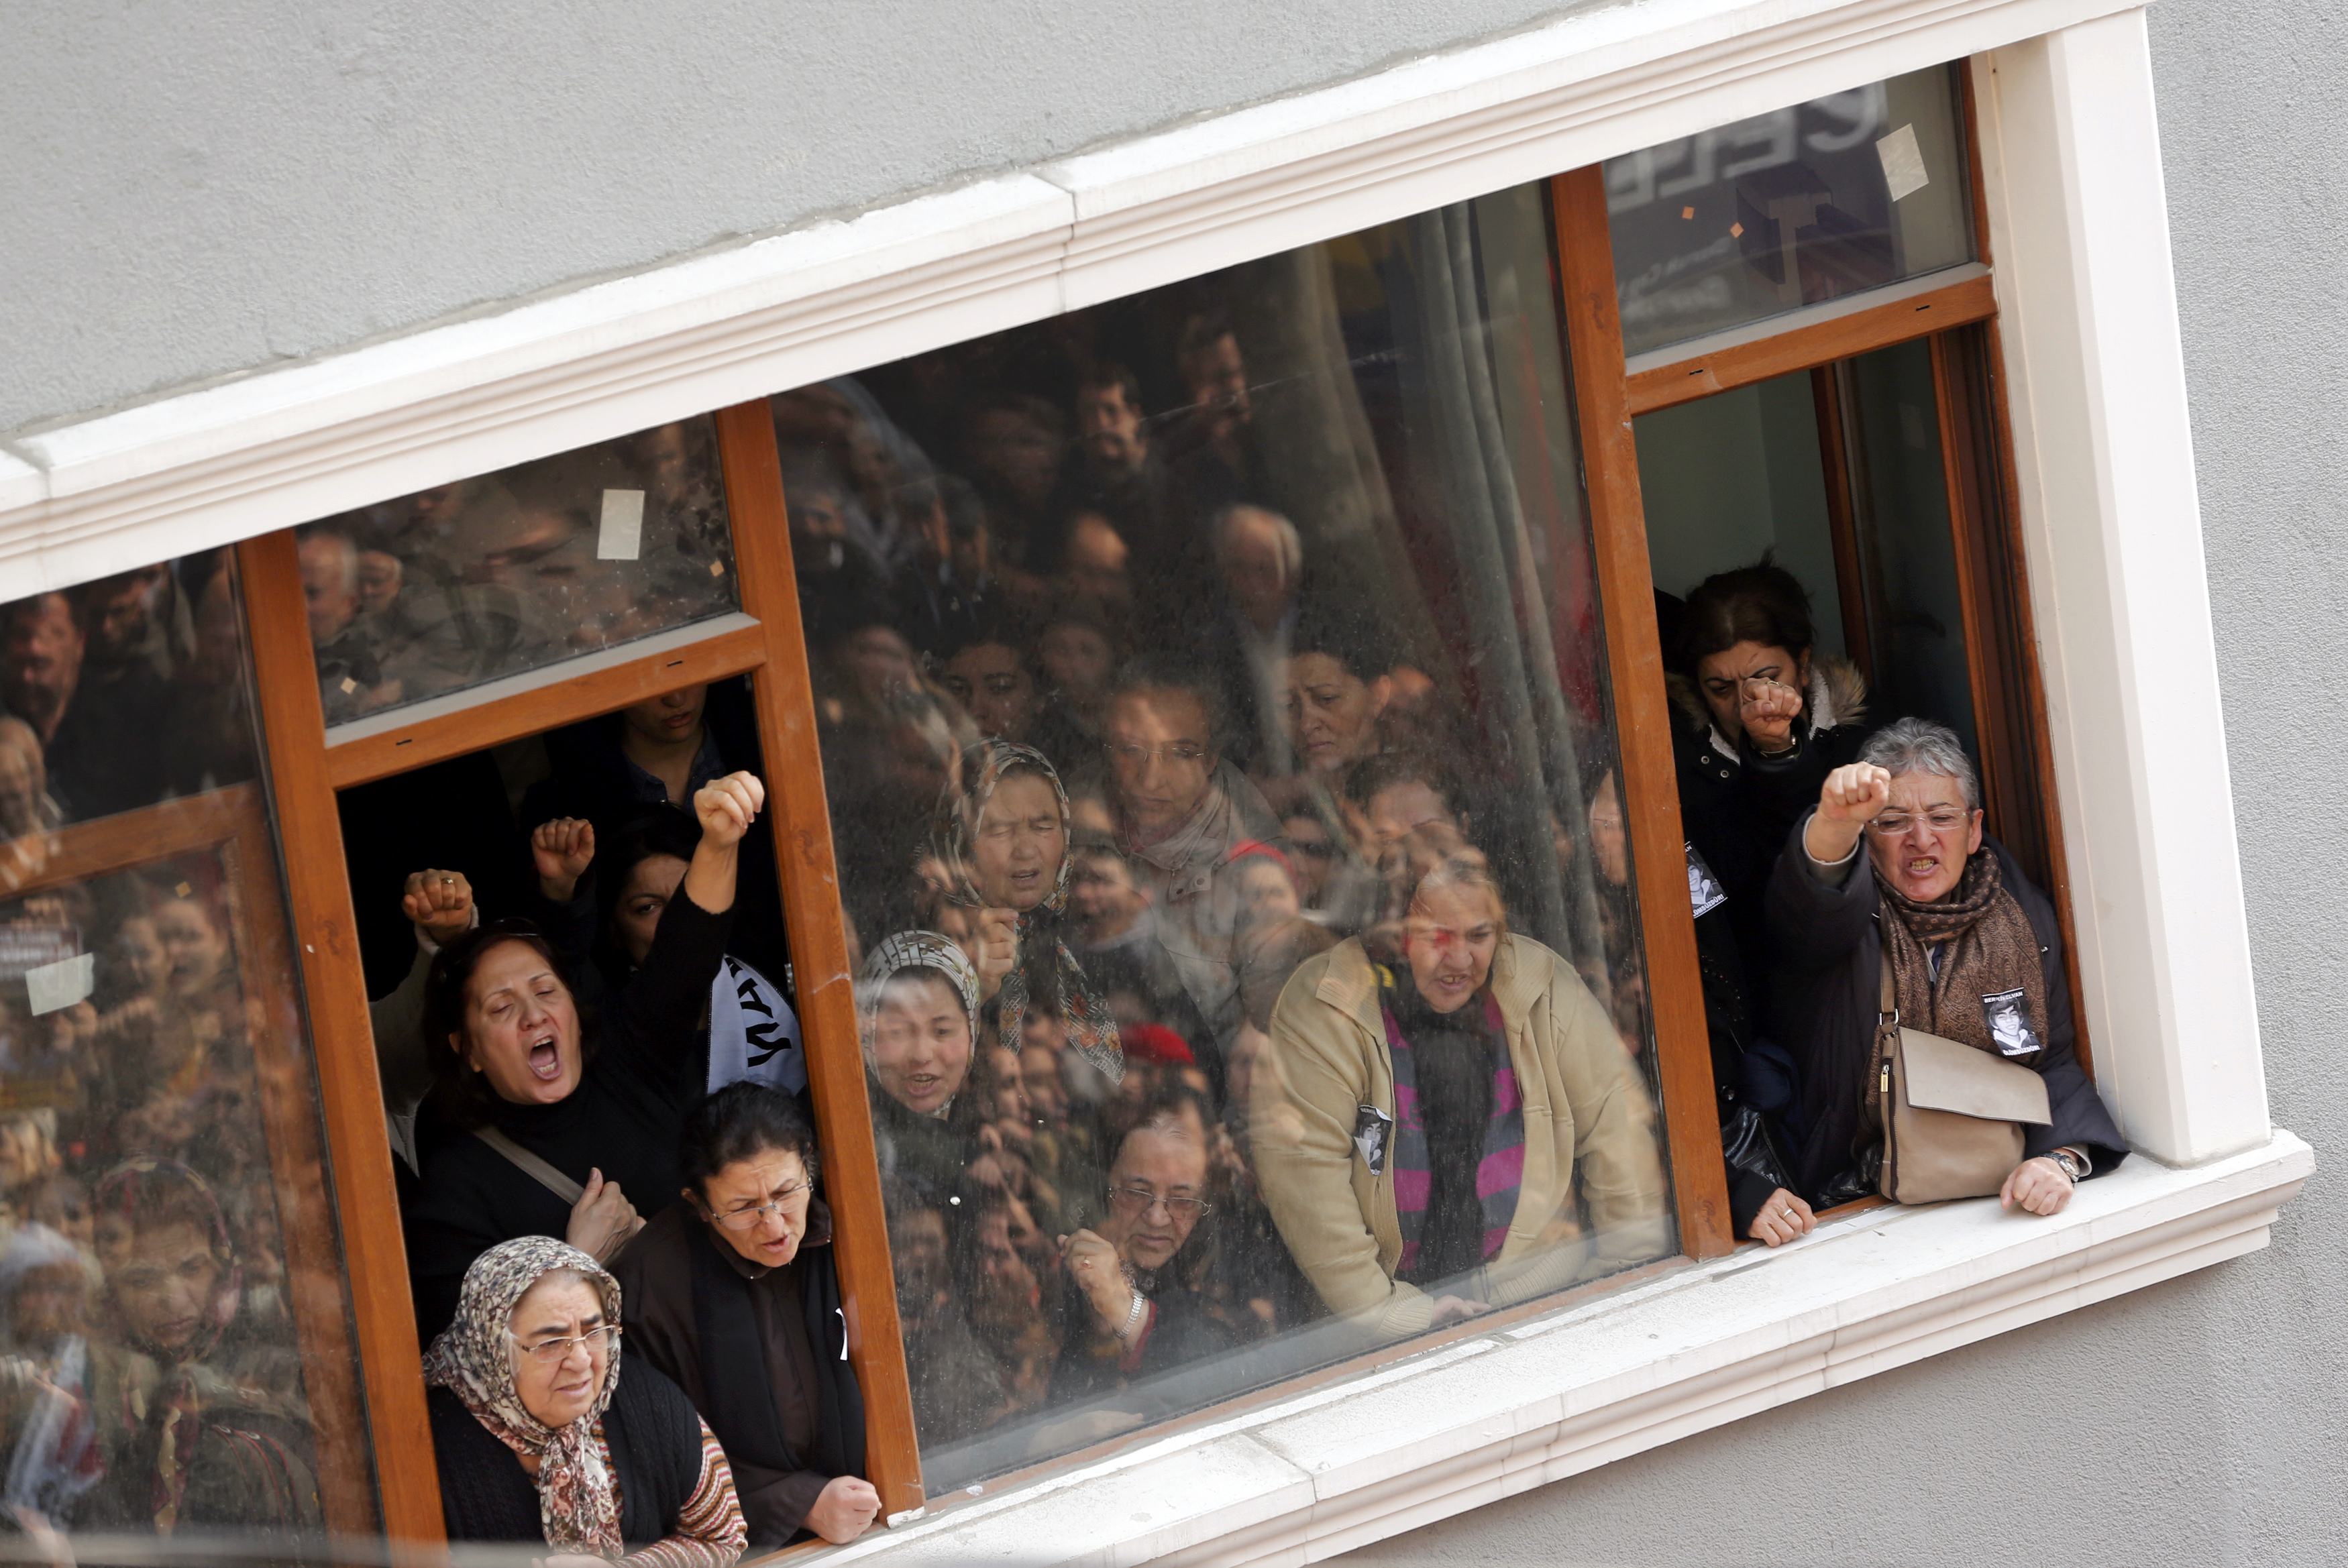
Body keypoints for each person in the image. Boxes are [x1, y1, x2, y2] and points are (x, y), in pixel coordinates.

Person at [401, 772, 766, 1338]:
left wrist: (718, 841)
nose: (533, 1016)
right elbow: (464, 1354)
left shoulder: (628, 1059)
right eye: (501, 1008)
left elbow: (688, 951)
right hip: (606, 1416)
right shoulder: (458, 1186)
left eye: (546, 992)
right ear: (466, 1049)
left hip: (724, 1354)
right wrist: (578, 1261)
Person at [1251, 851, 1669, 1339]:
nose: (1459, 960)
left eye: (1479, 935)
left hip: (1539, 1294)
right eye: (1438, 937)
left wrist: (1624, 1281)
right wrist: (1393, 1315)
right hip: (1380, 1321)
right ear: (1394, 932)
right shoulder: (1323, 1004)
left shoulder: (1543, 984)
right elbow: (1306, 1175)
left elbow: (1615, 1122)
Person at [1768, 718, 2127, 1213]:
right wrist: (1833, 823)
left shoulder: (2022, 918)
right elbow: (1810, 913)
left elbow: (2051, 1061)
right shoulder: (1846, 919)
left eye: (1942, 817)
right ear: (1866, 836)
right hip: (1850, 1200)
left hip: (1989, 1188)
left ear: (1975, 828)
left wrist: (2060, 1160)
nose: (1920, 838)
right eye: (1892, 822)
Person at [612, 1084, 875, 1547]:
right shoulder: (651, 1283)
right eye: (742, 1209)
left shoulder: (853, 1217)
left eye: (785, 1192)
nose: (774, 1225)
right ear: (698, 1204)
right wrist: (801, 1502)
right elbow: (661, 1455)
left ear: (808, 1163)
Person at [423, 1236, 747, 1564]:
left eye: (595, 1332)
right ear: (492, 1350)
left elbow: (721, 1535)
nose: (581, 1361)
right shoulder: (427, 1452)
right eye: (551, 1342)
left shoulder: (649, 1402)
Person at [80, 1159, 321, 1538]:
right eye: (143, 1279)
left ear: (221, 1264)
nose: (174, 1299)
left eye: (192, 1268)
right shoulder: (96, 1386)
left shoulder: (272, 1370)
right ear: (110, 1287)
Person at [1668, 558, 1869, 1010]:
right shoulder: (1677, 763)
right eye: (1720, 688)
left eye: (1765, 679)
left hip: (1846, 995)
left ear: (1801, 664)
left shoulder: (1861, 740)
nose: (1746, 704)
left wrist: (1779, 753)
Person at [1102, 661, 1291, 1068]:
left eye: (1181, 754)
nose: (1152, 780)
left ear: (1211, 761)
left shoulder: (1255, 881)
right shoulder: (1082, 859)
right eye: (1132, 751)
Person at [928, 740, 1122, 1082]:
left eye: (1043, 826)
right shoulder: (941, 924)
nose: (1025, 849)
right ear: (966, 841)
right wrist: (977, 991)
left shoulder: (1087, 927)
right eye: (1001, 829)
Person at [1051, 1098, 1235, 1405]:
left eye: (1182, 1200)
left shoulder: (1230, 1260)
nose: (1157, 1217)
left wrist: (1126, 1311)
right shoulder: (1077, 1262)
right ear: (1110, 1188)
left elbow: (1233, 1379)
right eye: (1137, 1194)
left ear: (1205, 1203)